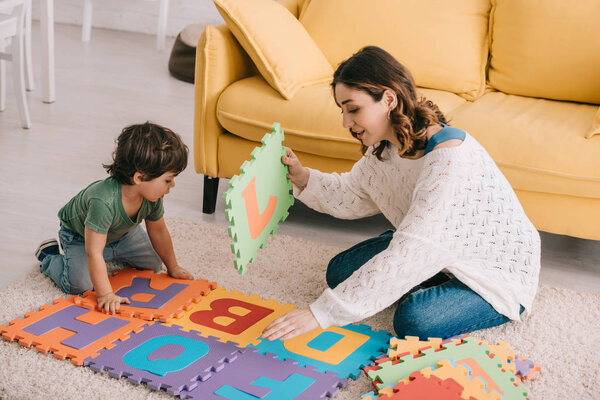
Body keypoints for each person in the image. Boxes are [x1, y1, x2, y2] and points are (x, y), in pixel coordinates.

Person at [261, 46, 540, 341]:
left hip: (493, 274)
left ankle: (419, 265)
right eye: (342, 111)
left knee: (414, 321)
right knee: (339, 273)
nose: (346, 122)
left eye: (353, 109)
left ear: (389, 99)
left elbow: (411, 252)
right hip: (431, 245)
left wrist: (318, 314)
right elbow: (351, 194)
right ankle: (419, 262)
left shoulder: (449, 159)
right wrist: (302, 177)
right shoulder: (383, 147)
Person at [34, 122, 194, 314]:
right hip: (80, 236)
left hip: (122, 233)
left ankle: (108, 254)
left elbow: (158, 231)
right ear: (139, 178)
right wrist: (105, 294)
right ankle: (49, 257)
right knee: (79, 286)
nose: (172, 185)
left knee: (152, 264)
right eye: (168, 180)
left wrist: (173, 266)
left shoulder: (153, 197)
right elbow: (93, 251)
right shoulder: (104, 201)